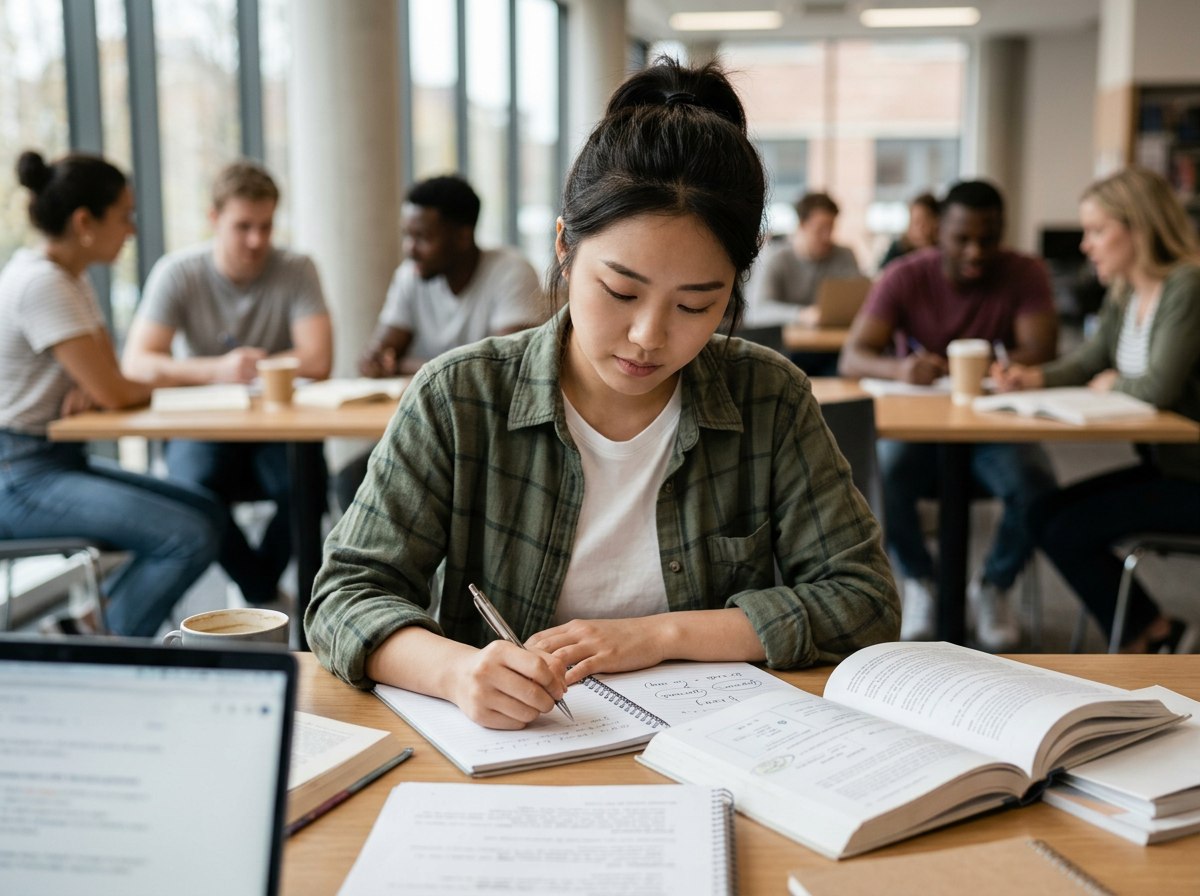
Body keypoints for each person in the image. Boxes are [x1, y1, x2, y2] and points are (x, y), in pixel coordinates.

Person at [306, 59, 900, 730]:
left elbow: (865, 600)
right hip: (516, 751)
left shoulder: (770, 397)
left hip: (718, 749)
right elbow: (344, 597)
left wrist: (661, 635)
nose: (648, 336)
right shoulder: (460, 397)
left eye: (697, 304)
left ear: (734, 286)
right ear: (564, 248)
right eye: (620, 291)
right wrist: (454, 671)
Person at [0, 151, 223, 636]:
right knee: (189, 535)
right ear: (84, 222)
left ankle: (84, 629)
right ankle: (91, 651)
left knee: (207, 511)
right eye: (125, 216)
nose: (133, 230)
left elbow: (110, 380)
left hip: (50, 460)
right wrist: (107, 387)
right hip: (18, 474)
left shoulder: (68, 278)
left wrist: (102, 386)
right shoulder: (43, 284)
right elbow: (117, 389)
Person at [839, 180, 1059, 651]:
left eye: (989, 238)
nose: (976, 251)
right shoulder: (904, 275)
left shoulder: (1025, 272)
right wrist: (900, 367)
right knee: (882, 477)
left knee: (1036, 485)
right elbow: (853, 356)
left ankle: (994, 585)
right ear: (939, 233)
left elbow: (1042, 348)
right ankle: (921, 581)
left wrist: (1003, 366)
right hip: (919, 424)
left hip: (994, 424)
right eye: (962, 239)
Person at [993, 167, 1200, 653]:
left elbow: (1158, 388)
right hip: (1166, 465)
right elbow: (1090, 361)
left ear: (1139, 227)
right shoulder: (1126, 290)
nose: (1086, 245)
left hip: (1193, 474)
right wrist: (1033, 378)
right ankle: (1152, 628)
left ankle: (1144, 633)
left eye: (1097, 230)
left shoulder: (1186, 287)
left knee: (1067, 528)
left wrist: (1113, 383)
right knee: (1039, 512)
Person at [122, 160, 332, 606]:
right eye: (243, 227)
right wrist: (216, 370)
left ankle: (281, 602)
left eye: (266, 226)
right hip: (204, 428)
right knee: (193, 495)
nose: (257, 240)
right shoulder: (178, 272)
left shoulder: (297, 268)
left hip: (279, 430)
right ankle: (262, 594)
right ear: (214, 219)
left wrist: (255, 368)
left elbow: (318, 359)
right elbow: (138, 362)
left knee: (307, 487)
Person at [336, 175, 542, 511]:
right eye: (407, 235)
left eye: (422, 237)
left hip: (494, 435)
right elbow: (380, 356)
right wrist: (379, 360)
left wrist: (407, 364)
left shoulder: (511, 272)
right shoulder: (412, 276)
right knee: (350, 480)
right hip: (430, 426)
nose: (409, 248)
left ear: (462, 236)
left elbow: (505, 369)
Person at [880, 192, 940, 268]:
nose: (920, 228)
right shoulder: (899, 248)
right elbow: (881, 275)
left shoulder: (943, 251)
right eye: (916, 222)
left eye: (925, 221)